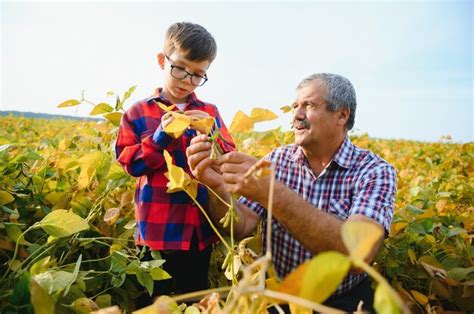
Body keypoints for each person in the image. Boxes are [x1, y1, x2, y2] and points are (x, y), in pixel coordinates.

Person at [186, 73, 397, 312]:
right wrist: (217, 189)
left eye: (309, 105)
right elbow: (240, 225)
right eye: (295, 106)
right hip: (278, 297)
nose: (296, 115)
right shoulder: (277, 159)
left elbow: (358, 253)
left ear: (342, 115)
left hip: (342, 301)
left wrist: (273, 193)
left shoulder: (375, 171)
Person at [115, 22, 235, 304]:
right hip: (157, 229)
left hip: (199, 227)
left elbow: (229, 155)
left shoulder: (209, 112)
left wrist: (212, 136)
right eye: (180, 68)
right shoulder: (138, 112)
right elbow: (129, 162)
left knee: (194, 297)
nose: (186, 80)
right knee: (154, 300)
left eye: (197, 75)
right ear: (162, 60)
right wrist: (160, 137)